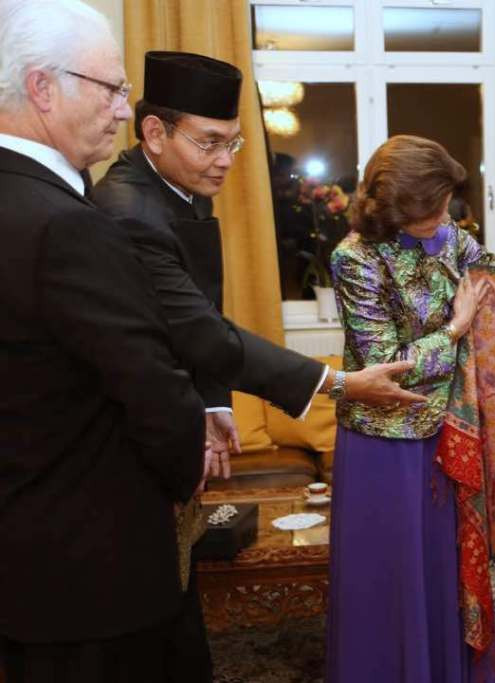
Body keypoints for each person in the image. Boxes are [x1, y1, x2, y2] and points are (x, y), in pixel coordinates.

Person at [88, 51, 426, 681]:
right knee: (152, 617)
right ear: (154, 133)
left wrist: (214, 403)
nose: (225, 160)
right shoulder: (128, 212)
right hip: (129, 445)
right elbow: (200, 329)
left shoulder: (175, 190)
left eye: (234, 143)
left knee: (178, 598)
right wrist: (340, 383)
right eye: (209, 142)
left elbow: (193, 313)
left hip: (174, 417)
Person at [0, 2, 206, 681]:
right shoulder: (65, 225)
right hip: (94, 575)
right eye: (111, 89)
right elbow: (152, 387)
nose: (124, 112)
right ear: (42, 88)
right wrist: (185, 474)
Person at [326, 135, 495, 682]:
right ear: (396, 208)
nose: (443, 217)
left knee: (443, 571)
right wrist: (455, 327)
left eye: (446, 203)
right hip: (382, 444)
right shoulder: (353, 259)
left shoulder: (453, 239)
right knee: (387, 577)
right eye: (431, 209)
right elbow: (383, 367)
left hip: (447, 433)